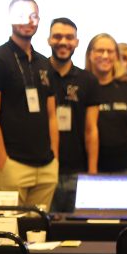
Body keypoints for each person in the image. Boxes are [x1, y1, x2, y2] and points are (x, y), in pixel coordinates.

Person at [0, 0, 58, 207]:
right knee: (10, 226)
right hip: (12, 164)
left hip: (46, 166)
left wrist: (55, 158)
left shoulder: (44, 63)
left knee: (39, 226)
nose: (28, 21)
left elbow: (52, 115)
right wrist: (4, 164)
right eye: (21, 15)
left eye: (33, 16)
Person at [47, 17, 96, 212]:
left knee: (77, 228)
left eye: (69, 37)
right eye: (57, 36)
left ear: (76, 42)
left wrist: (92, 172)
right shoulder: (38, 74)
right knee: (40, 227)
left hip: (78, 172)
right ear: (49, 40)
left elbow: (91, 129)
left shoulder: (88, 80)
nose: (63, 42)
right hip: (43, 170)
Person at [84, 33, 127, 175]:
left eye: (110, 51)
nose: (105, 56)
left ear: (116, 56)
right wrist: (91, 171)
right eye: (100, 51)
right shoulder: (82, 86)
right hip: (91, 169)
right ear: (90, 54)